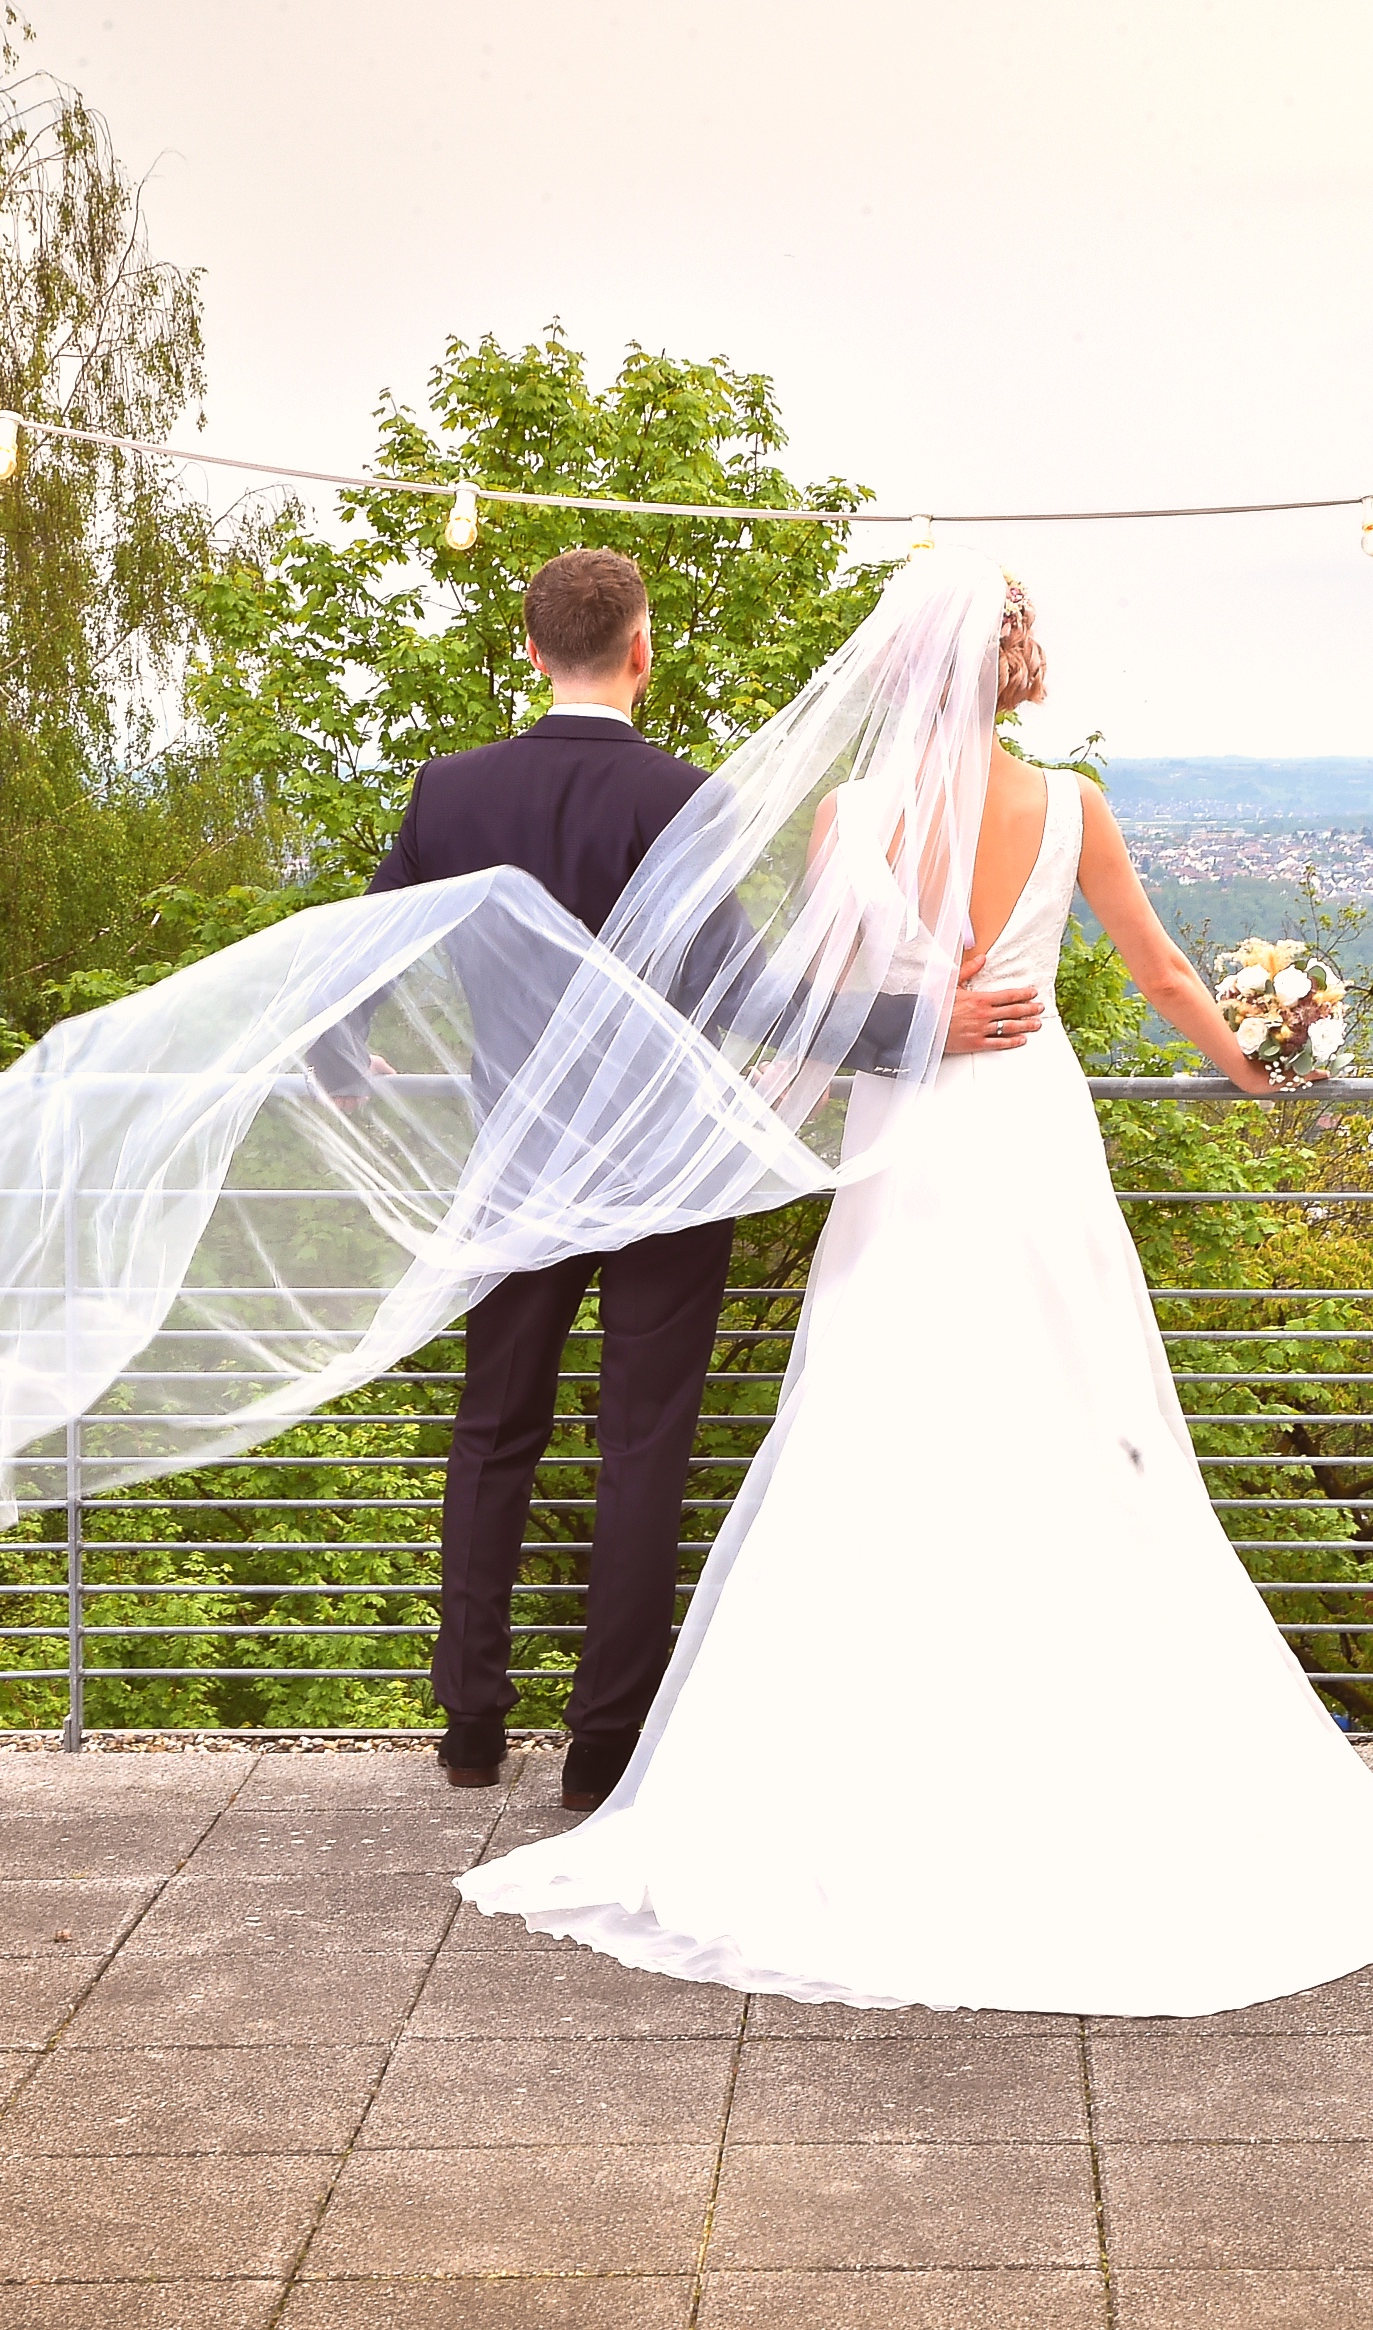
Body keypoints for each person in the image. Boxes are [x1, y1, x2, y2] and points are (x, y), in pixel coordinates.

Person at [455, 564, 1373, 2016]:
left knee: (878, 1433)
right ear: (1015, 665)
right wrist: (1260, 1058)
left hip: (911, 1145)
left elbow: (818, 1013)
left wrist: (730, 1133)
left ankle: (874, 1766)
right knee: (1072, 1421)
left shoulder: (852, 817)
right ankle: (1072, 1751)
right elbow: (1154, 969)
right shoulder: (1073, 804)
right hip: (1030, 1136)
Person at [362, 549, 1039, 1806]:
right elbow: (754, 1001)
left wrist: (347, 1066)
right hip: (666, 1163)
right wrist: (917, 1029)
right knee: (643, 1444)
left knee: (492, 1430)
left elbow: (361, 951)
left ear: (529, 650)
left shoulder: (447, 791)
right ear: (639, 650)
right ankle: (603, 1745)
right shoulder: (687, 798)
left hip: (515, 1160)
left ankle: (467, 1723)